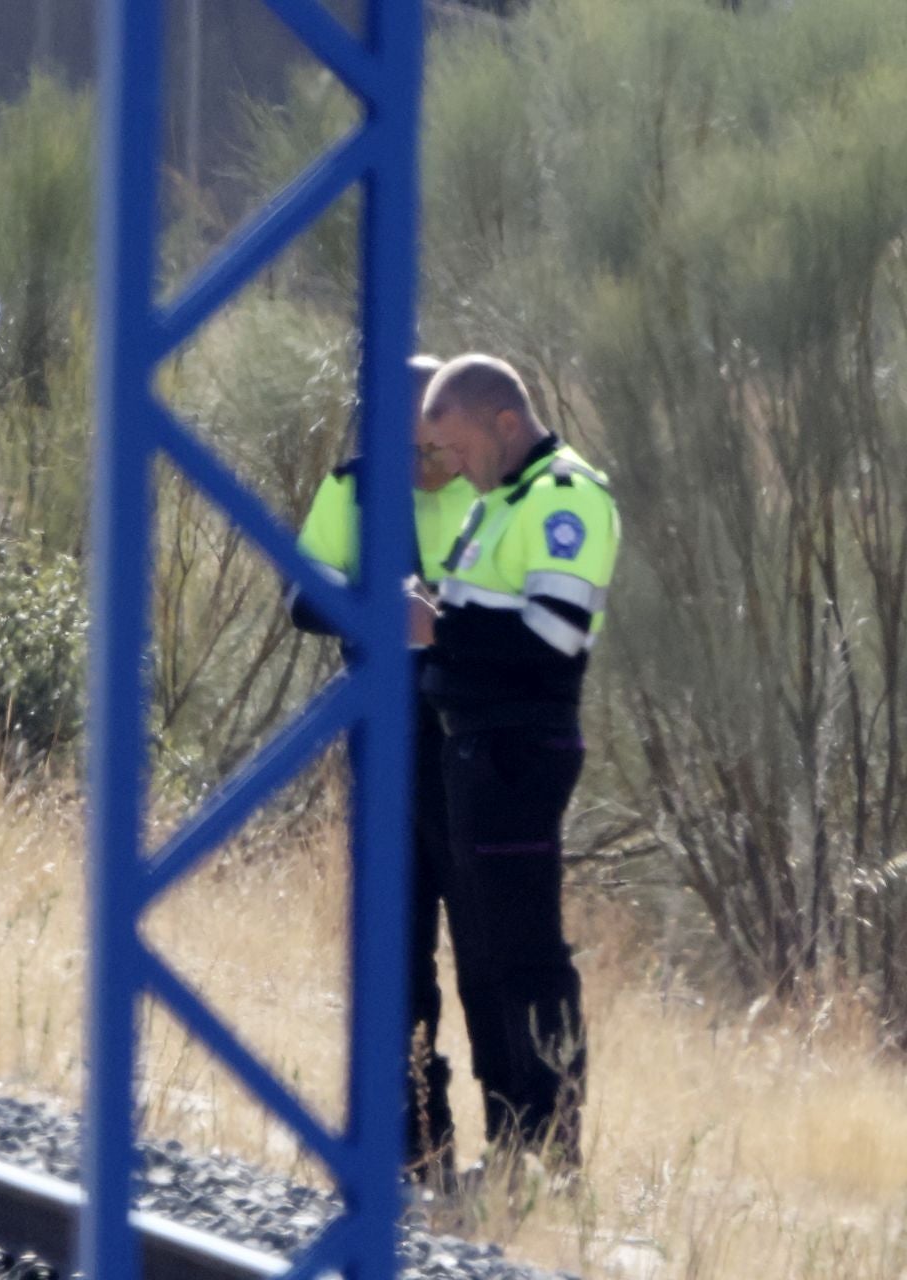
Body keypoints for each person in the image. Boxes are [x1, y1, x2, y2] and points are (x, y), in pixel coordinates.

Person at [417, 353, 620, 1178]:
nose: (450, 467)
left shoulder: (564, 496)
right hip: (471, 746)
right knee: (486, 955)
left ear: (505, 421)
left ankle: (549, 1151)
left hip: (517, 750)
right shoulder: (495, 502)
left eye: (457, 446)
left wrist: (435, 632)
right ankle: (510, 1143)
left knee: (526, 955)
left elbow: (556, 634)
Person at [287, 355, 479, 1187]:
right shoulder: (356, 484)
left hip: (475, 739)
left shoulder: (492, 487)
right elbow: (304, 594)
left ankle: (520, 1146)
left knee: (487, 947)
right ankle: (413, 1141)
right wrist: (374, 605)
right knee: (395, 947)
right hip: (383, 734)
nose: (426, 428)